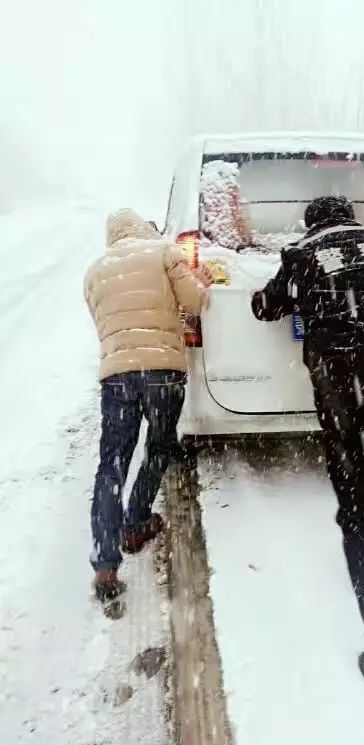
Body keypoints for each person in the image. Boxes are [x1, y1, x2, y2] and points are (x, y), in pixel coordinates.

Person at [250, 196, 364, 687]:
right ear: (349, 217)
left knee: (358, 509)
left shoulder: (303, 255)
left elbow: (265, 307)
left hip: (351, 393)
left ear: (312, 223)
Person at [84, 209, 210, 602]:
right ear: (142, 227)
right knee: (159, 445)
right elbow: (194, 302)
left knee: (112, 464)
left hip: (118, 376)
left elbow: (104, 324)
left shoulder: (95, 270)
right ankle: (136, 521)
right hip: (163, 372)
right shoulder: (163, 251)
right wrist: (202, 283)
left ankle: (105, 563)